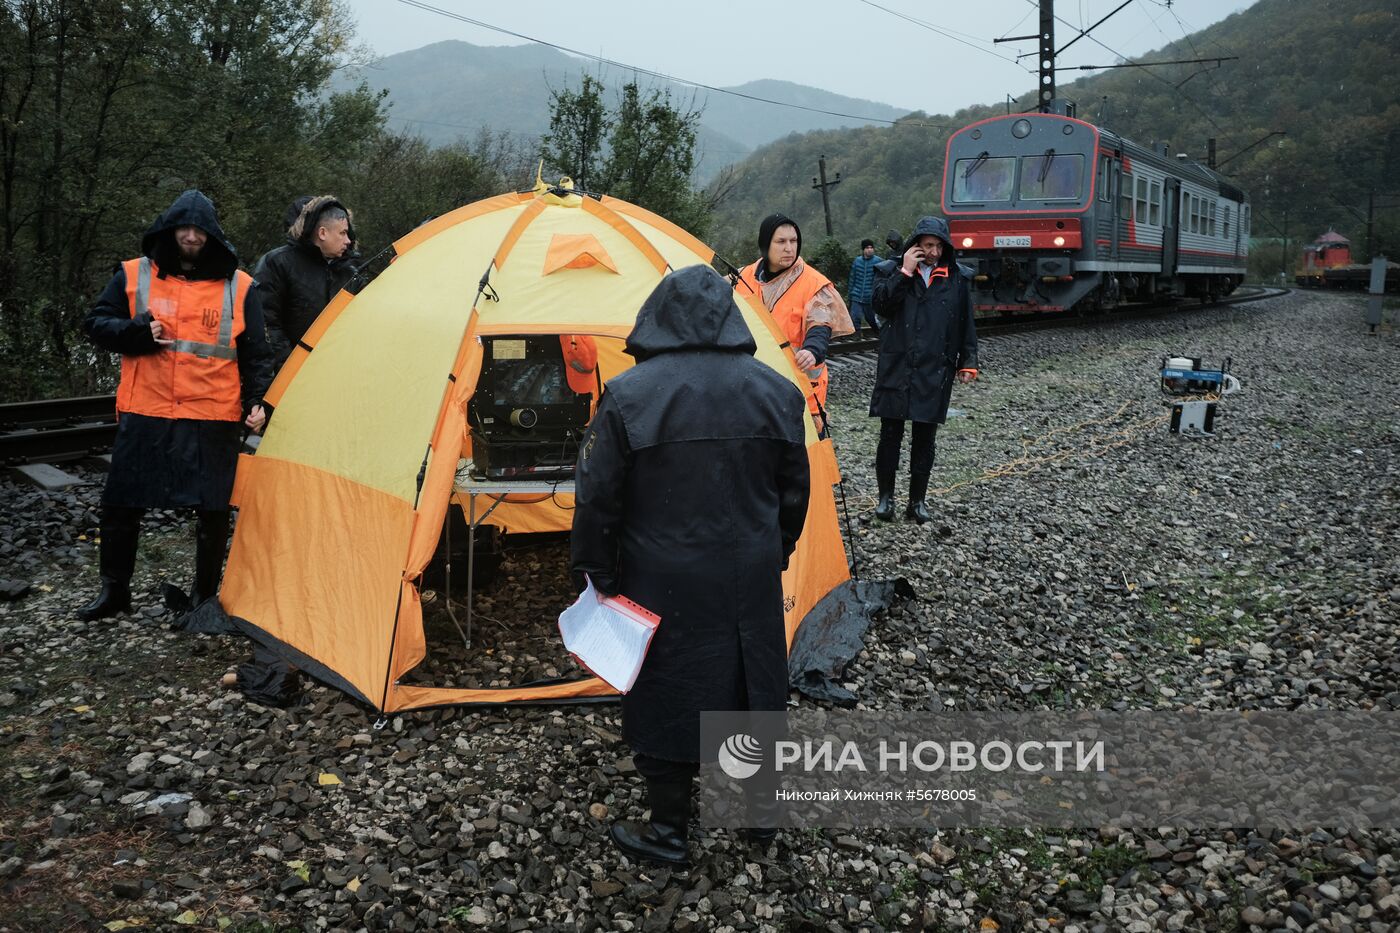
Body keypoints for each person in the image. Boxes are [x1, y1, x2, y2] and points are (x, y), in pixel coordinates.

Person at [571, 265, 811, 866]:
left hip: (660, 575)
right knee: (753, 685)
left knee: (668, 689)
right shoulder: (777, 390)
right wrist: (772, 551)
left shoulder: (628, 395)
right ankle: (760, 818)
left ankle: (669, 830)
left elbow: (597, 496)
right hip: (749, 570)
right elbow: (794, 492)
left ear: (658, 317)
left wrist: (598, 572)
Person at [78, 190, 274, 621]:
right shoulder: (133, 274)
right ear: (168, 230)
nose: (190, 236)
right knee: (121, 505)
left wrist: (259, 399)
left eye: (199, 229)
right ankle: (114, 593)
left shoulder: (239, 285)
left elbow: (257, 352)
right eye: (183, 228)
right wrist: (135, 333)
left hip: (212, 414)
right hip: (146, 409)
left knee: (213, 510)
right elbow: (95, 324)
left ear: (212, 235)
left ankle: (204, 595)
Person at [869, 216, 978, 524]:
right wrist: (904, 272)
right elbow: (880, 305)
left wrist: (968, 361)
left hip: (935, 367)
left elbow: (964, 323)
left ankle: (917, 502)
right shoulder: (890, 271)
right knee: (890, 434)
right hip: (896, 364)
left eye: (938, 246)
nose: (933, 252)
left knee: (925, 437)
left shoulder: (957, 278)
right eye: (927, 245)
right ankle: (885, 499)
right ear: (915, 245)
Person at [737, 214, 854, 433]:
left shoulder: (813, 283)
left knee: (800, 456)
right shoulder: (742, 278)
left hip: (799, 388)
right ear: (765, 244)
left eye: (794, 241)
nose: (789, 248)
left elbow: (820, 323)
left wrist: (812, 350)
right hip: (752, 387)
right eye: (781, 242)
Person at [254, 195, 360, 369]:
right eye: (342, 233)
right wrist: (291, 366)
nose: (348, 240)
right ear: (322, 233)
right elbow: (266, 323)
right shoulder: (278, 263)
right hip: (289, 375)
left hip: (338, 370)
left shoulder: (350, 271)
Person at [847, 239, 881, 336]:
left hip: (870, 297)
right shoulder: (857, 261)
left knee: (871, 319)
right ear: (863, 249)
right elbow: (852, 278)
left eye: (871, 248)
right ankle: (857, 335)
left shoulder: (878, 261)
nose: (870, 250)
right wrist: (850, 295)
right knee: (855, 317)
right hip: (856, 296)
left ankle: (879, 334)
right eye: (867, 248)